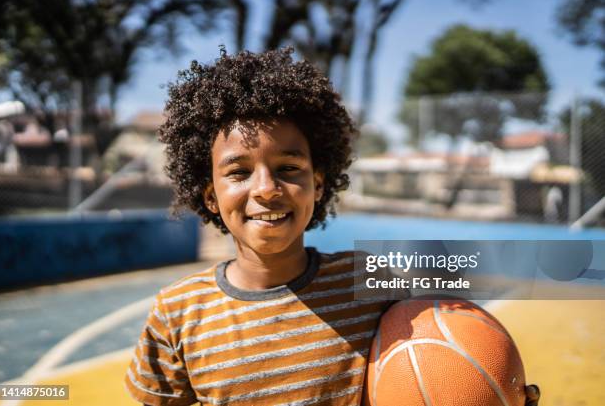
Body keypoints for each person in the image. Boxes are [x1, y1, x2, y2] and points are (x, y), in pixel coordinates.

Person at [125, 48, 540, 406]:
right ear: (210, 194)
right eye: (239, 172)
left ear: (318, 184)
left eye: (289, 168)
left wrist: (495, 390)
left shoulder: (370, 282)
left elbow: (442, 362)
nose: (267, 189)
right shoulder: (176, 312)